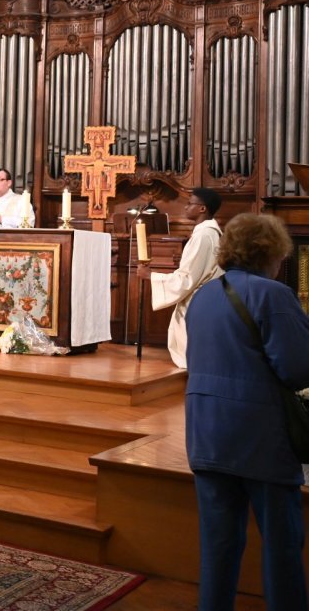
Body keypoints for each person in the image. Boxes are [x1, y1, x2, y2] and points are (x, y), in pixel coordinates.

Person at [184, 213, 309, 610]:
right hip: (259, 435)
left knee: (218, 546)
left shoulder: (203, 295)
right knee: (282, 545)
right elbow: (297, 369)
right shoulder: (273, 295)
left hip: (206, 430)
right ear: (272, 252)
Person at [137, 187, 223, 369]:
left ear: (202, 209)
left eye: (190, 203)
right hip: (207, 299)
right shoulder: (210, 233)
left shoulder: (204, 235)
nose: (185, 207)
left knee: (192, 357)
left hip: (197, 302)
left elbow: (187, 279)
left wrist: (150, 275)